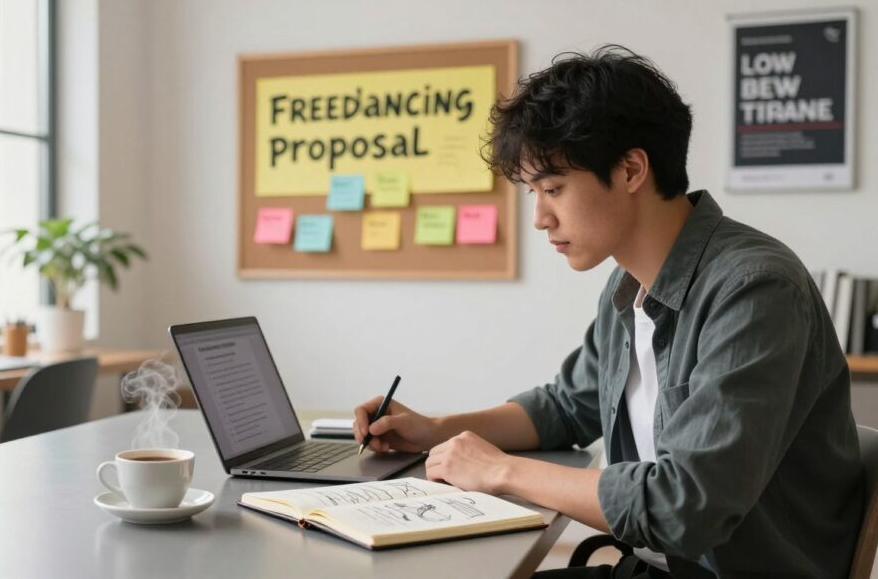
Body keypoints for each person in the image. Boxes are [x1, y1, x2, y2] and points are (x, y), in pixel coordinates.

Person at [353, 46, 863, 579]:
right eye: (532, 192)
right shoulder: (629, 284)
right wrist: (435, 429)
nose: (539, 219)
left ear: (631, 169)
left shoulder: (754, 289)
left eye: (552, 188)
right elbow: (567, 406)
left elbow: (684, 505)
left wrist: (500, 471)